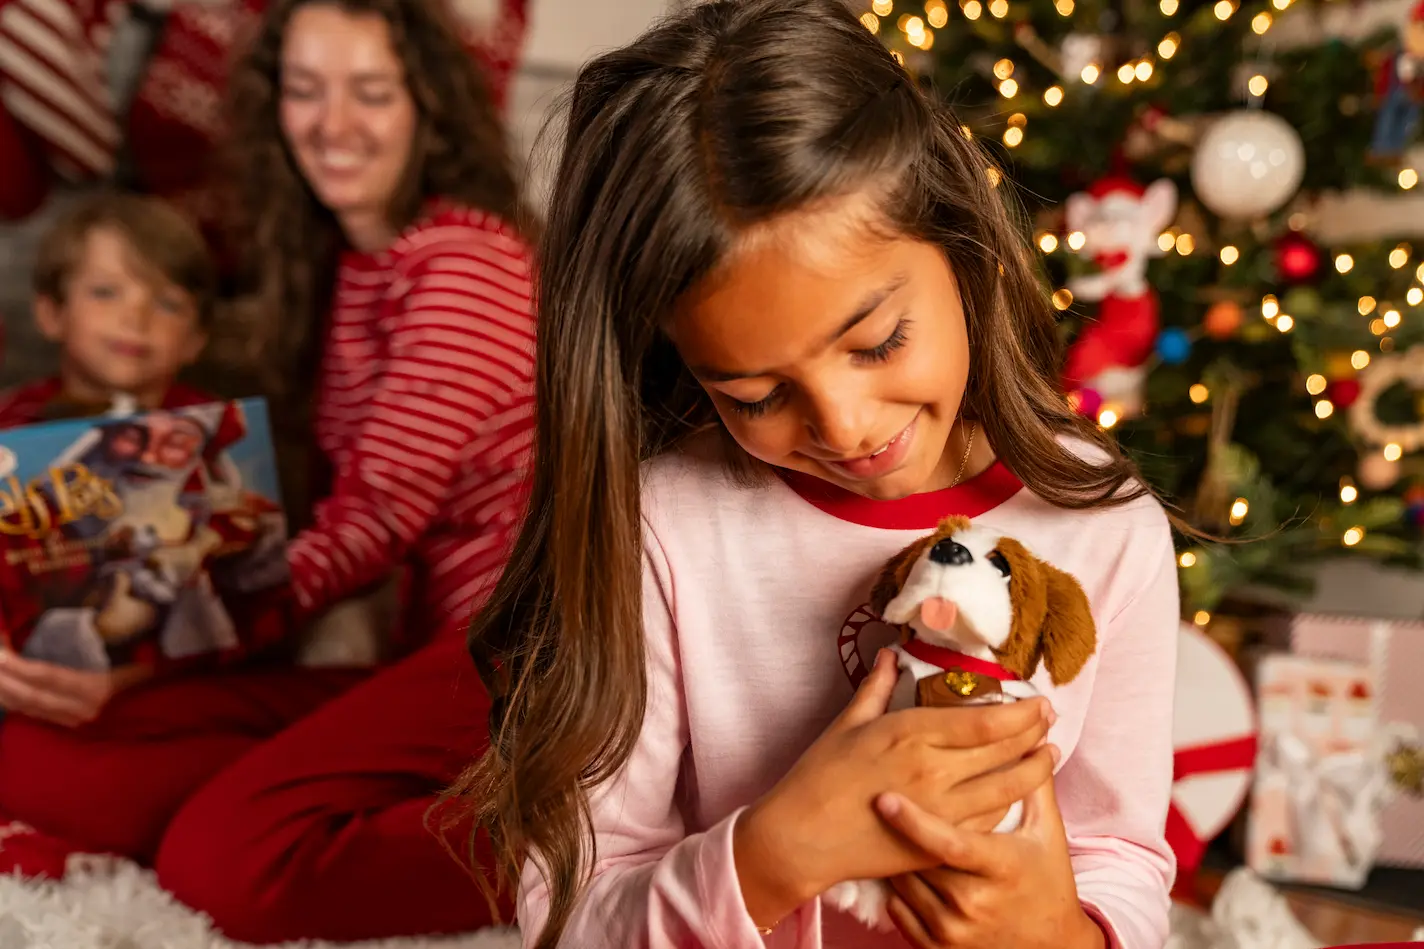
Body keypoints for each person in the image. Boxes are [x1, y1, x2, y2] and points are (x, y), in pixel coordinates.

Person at [455, 3, 1178, 949]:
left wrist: (1059, 933)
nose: (844, 426)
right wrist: (771, 857)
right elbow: (572, 911)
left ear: (963, 250)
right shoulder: (662, 527)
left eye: (878, 342)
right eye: (755, 394)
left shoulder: (1105, 522)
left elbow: (1121, 853)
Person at [0, 0, 534, 942]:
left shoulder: (463, 265)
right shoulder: (351, 265)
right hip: (420, 667)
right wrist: (107, 649)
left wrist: (143, 650)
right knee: (33, 752)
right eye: (305, 89)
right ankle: (319, 804)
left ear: (429, 108)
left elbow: (368, 529)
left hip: (518, 660)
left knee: (219, 863)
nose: (334, 123)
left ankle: (581, 832)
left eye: (371, 92)